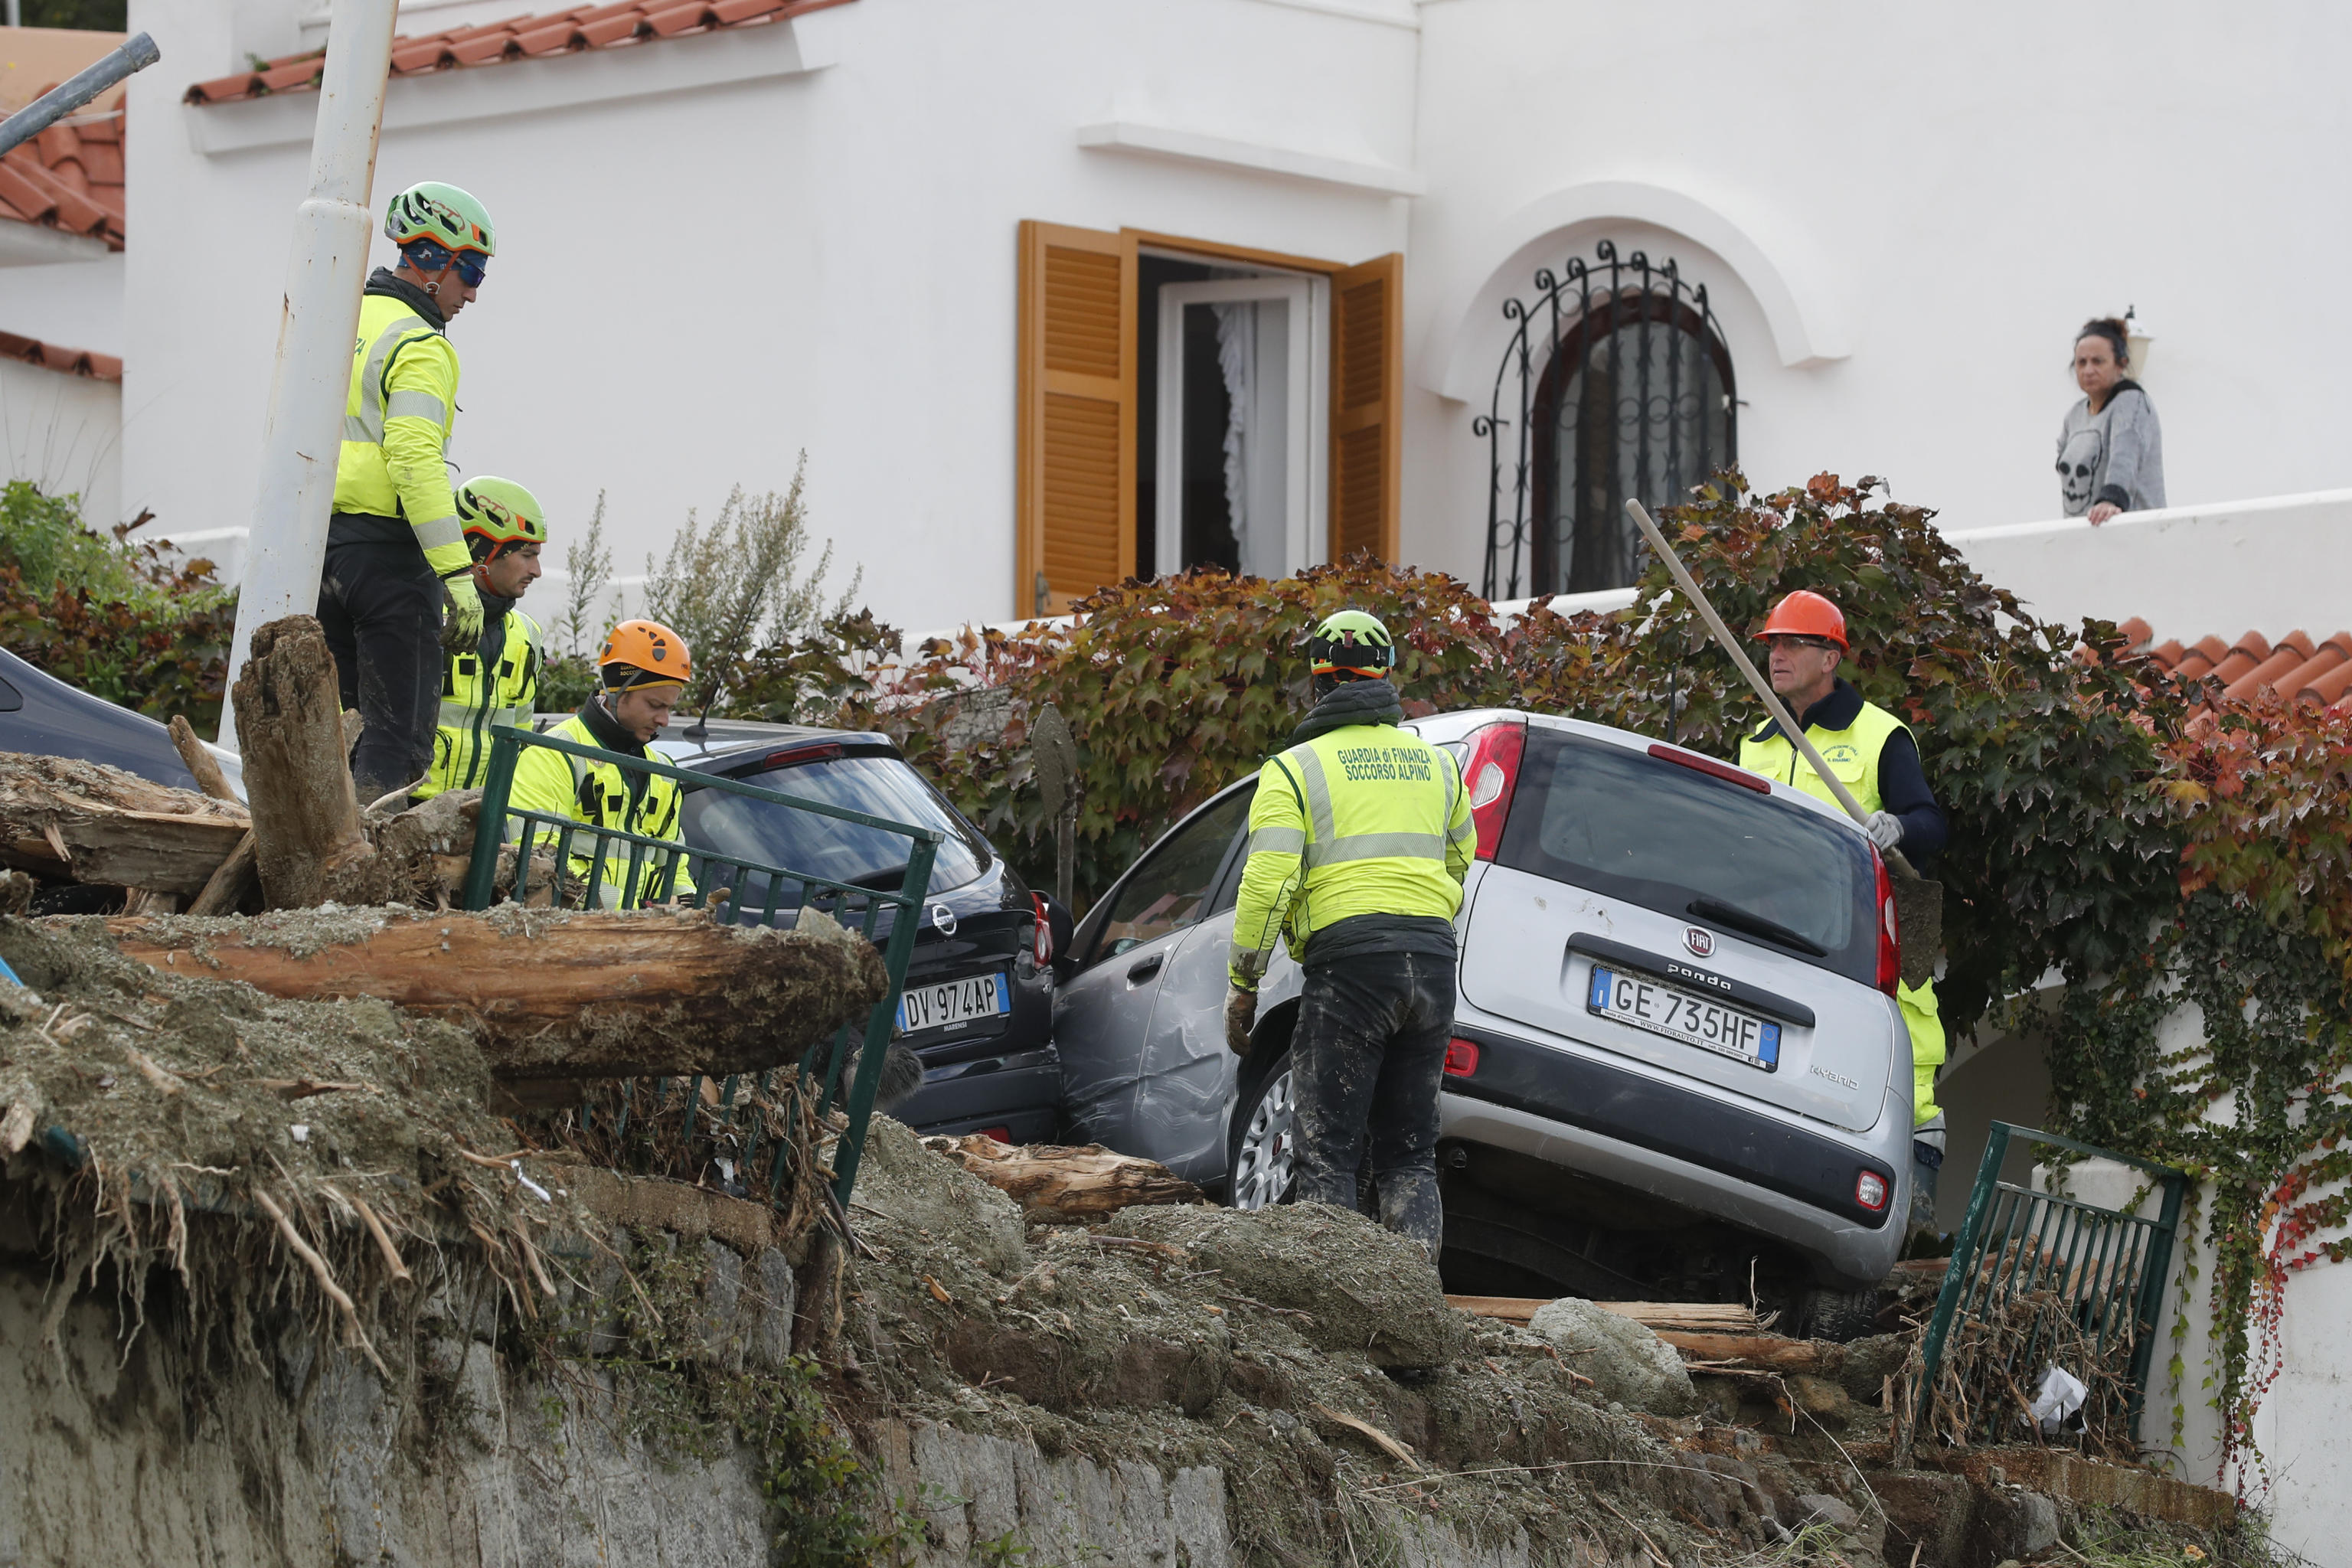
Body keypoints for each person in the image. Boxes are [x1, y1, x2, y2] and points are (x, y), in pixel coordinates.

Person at [1224, 610, 1476, 1259]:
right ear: (1386, 675)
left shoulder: (1293, 771)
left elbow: (1268, 884)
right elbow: (1458, 863)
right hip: (1431, 962)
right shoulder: (1439, 767)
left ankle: (1331, 1313)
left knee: (1328, 1153)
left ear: (1316, 683)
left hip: (1350, 969)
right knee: (1410, 1155)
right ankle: (1416, 1305)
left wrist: (1243, 984)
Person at [1735, 590, 1949, 1235]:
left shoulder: (1878, 734)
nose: (1778, 655)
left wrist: (1898, 828)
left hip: (1868, 942)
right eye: (1772, 644)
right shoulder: (1757, 745)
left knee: (1906, 1070)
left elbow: (1933, 825)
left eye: (1794, 643)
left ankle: (1915, 1214)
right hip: (1782, 943)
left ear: (1831, 657)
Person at [318, 180, 497, 804]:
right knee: (398, 740)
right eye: (470, 270)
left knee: (329, 735)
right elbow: (415, 460)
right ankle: (367, 878)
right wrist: (456, 572)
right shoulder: (421, 343)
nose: (473, 291)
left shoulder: (343, 319)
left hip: (322, 550)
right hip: (389, 559)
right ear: (430, 261)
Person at [508, 619, 698, 909]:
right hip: (569, 932)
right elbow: (539, 860)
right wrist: (635, 911)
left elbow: (673, 863)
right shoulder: (552, 753)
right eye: (655, 705)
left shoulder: (664, 771)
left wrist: (687, 906)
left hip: (642, 936)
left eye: (669, 708)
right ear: (617, 692)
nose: (664, 720)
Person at [416, 477, 547, 801]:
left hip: (480, 815)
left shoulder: (528, 634)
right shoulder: (418, 620)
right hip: (406, 807)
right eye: (527, 555)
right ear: (483, 553)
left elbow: (521, 734)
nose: (538, 570)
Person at [2056, 317, 2164, 525]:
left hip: (2132, 535)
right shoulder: (2074, 415)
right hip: (2083, 538)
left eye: (2098, 361)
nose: (2088, 370)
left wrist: (2111, 498)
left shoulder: (2132, 402)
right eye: (2082, 362)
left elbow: (2125, 456)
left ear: (2120, 365)